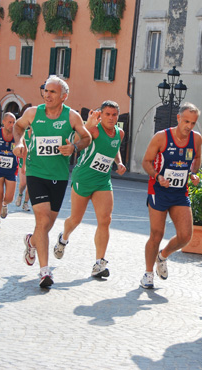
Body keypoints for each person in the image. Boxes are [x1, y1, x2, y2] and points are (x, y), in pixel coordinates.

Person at [12, 75, 91, 288]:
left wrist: (74, 148)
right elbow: (18, 127)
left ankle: (32, 241)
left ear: (64, 96)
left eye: (52, 92)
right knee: (42, 218)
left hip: (59, 176)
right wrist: (18, 143)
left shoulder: (72, 117)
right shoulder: (32, 113)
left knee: (46, 225)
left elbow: (87, 138)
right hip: (36, 173)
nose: (47, 95)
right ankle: (45, 272)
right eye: (45, 90)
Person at [54, 101, 127, 278]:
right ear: (100, 115)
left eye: (114, 115)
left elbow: (114, 147)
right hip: (84, 178)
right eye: (107, 114)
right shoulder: (94, 130)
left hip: (102, 180)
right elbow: (76, 142)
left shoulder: (120, 133)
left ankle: (99, 263)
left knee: (105, 220)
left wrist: (119, 162)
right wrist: (87, 125)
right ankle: (63, 238)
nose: (111, 118)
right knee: (76, 219)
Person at [140, 103, 202, 289]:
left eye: (193, 123)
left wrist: (193, 173)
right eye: (186, 121)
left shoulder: (196, 139)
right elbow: (146, 162)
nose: (189, 126)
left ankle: (163, 256)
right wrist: (157, 176)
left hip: (179, 191)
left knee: (185, 236)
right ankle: (148, 273)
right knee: (156, 234)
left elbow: (197, 159)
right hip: (159, 190)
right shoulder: (161, 137)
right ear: (178, 118)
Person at [15, 127, 32, 212]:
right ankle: (20, 195)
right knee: (23, 183)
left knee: (30, 185)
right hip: (23, 162)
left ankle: (25, 203)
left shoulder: (39, 135)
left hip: (33, 164)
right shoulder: (24, 134)